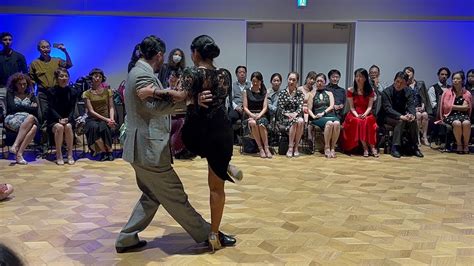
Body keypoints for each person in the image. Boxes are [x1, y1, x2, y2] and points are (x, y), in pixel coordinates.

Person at [116, 35, 237, 254]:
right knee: (176, 196)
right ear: (160, 54)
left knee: (152, 195)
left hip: (140, 149)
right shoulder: (143, 74)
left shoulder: (139, 71)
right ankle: (209, 234)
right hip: (148, 150)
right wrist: (190, 103)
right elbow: (154, 107)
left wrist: (190, 102)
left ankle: (126, 238)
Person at [381, 71, 423, 158]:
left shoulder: (408, 91)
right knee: (400, 121)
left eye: (402, 83)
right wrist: (401, 116)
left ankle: (414, 146)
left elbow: (411, 105)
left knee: (413, 121)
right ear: (394, 80)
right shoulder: (386, 92)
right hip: (388, 116)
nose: (399, 85)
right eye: (397, 81)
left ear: (406, 83)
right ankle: (395, 147)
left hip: (403, 115)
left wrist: (412, 115)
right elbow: (387, 109)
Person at [342, 68, 378, 157]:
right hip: (354, 113)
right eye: (356, 76)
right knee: (359, 121)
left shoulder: (370, 91)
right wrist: (357, 115)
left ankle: (372, 147)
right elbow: (352, 107)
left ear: (365, 78)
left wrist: (365, 114)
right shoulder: (350, 90)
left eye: (360, 76)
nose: (358, 78)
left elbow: (370, 107)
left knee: (368, 121)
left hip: (366, 112)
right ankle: (365, 148)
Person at [82, 68, 116, 161]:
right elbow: (91, 111)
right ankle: (104, 151)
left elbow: (111, 107)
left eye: (100, 77)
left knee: (104, 127)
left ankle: (109, 151)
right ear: (91, 78)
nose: (98, 78)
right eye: (96, 76)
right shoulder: (86, 93)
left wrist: (111, 119)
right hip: (92, 118)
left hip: (106, 118)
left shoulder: (108, 91)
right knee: (94, 127)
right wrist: (106, 119)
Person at [4, 73, 38, 164]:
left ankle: (18, 152)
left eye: (25, 84)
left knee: (33, 123)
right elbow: (12, 108)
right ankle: (18, 152)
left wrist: (19, 106)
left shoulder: (31, 95)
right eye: (20, 84)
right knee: (32, 121)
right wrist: (29, 108)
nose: (23, 86)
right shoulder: (11, 93)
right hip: (13, 118)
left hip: (28, 119)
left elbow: (36, 110)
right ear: (15, 84)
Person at [47, 68, 77, 165]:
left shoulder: (72, 91)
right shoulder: (51, 91)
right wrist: (59, 119)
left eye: (66, 76)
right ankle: (59, 154)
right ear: (56, 78)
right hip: (54, 119)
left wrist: (68, 118)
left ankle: (69, 154)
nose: (64, 78)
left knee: (68, 126)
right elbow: (51, 108)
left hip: (68, 118)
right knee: (59, 127)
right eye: (61, 76)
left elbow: (73, 108)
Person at [437, 71, 472, 154]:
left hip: (463, 115)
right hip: (449, 115)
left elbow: (466, 107)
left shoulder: (467, 93)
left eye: (458, 79)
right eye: (453, 79)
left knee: (466, 123)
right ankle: (459, 145)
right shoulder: (447, 92)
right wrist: (459, 107)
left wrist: (453, 106)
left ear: (462, 81)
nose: (455, 80)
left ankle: (466, 145)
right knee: (457, 123)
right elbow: (446, 107)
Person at [307, 73, 340, 158]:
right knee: (329, 123)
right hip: (318, 117)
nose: (319, 83)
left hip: (329, 114)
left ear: (325, 82)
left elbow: (332, 106)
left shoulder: (329, 93)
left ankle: (333, 148)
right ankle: (327, 147)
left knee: (336, 123)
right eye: (317, 81)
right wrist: (313, 116)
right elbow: (309, 109)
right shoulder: (311, 94)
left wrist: (323, 113)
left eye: (321, 81)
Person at [243, 71, 270, 158]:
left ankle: (266, 148)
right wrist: (252, 115)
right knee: (253, 123)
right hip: (249, 115)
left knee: (261, 124)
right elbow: (245, 107)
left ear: (260, 81)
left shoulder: (265, 92)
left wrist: (259, 115)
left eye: (257, 81)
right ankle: (260, 148)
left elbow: (265, 107)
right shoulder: (246, 91)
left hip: (261, 115)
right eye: (253, 81)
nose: (255, 83)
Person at [277, 72, 304, 157]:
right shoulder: (282, 93)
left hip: (296, 115)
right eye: (290, 79)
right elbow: (280, 108)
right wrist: (288, 114)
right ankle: (291, 147)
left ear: (297, 82)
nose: (291, 82)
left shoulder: (300, 94)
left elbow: (300, 107)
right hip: (285, 117)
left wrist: (295, 114)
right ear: (287, 80)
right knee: (297, 121)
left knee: (300, 121)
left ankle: (295, 147)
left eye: (294, 80)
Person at [404, 66, 430, 145]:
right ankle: (417, 137)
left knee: (425, 114)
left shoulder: (420, 84)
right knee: (418, 115)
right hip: (410, 109)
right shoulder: (404, 85)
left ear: (413, 73)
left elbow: (424, 97)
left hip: (420, 107)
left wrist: (422, 106)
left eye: (409, 72)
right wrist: (413, 109)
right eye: (406, 72)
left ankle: (424, 136)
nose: (407, 74)